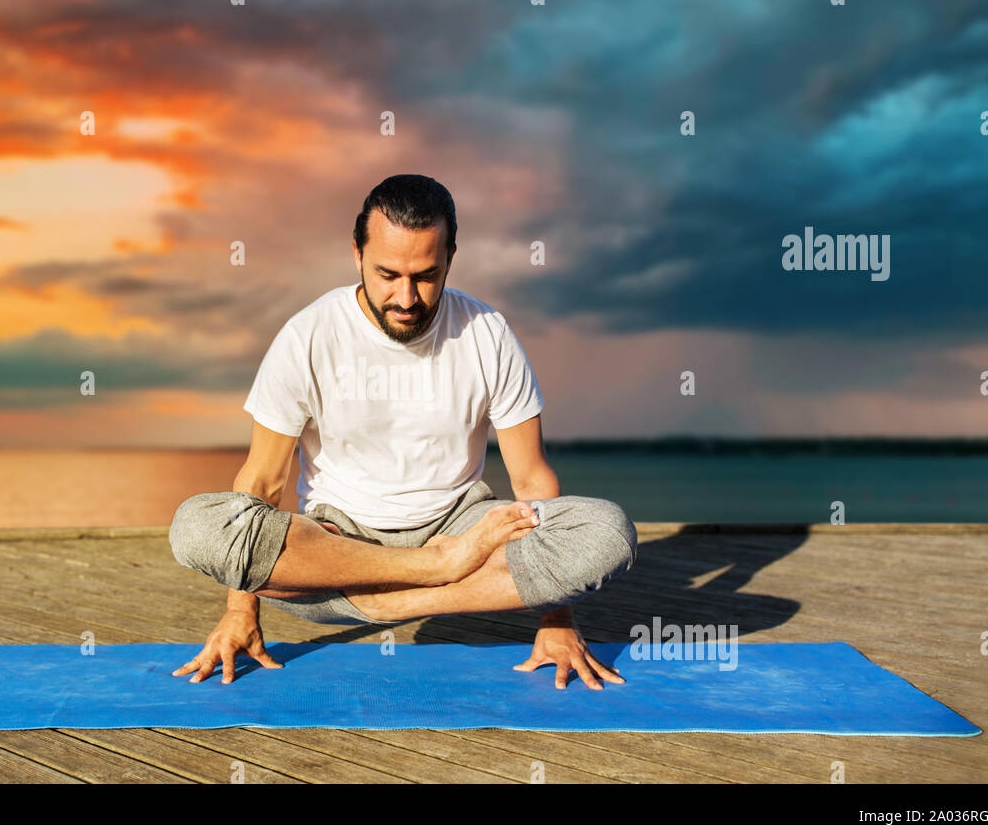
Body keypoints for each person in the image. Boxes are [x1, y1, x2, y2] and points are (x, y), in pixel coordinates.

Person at [169, 174, 638, 689]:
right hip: (340, 543)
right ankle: (432, 572)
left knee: (606, 533)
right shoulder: (307, 335)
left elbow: (531, 482)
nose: (407, 297)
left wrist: (558, 621)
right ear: (357, 254)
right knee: (198, 527)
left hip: (458, 530)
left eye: (426, 275)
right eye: (388, 274)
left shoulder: (487, 332)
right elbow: (260, 482)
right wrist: (241, 612)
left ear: (450, 259)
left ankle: (400, 589)